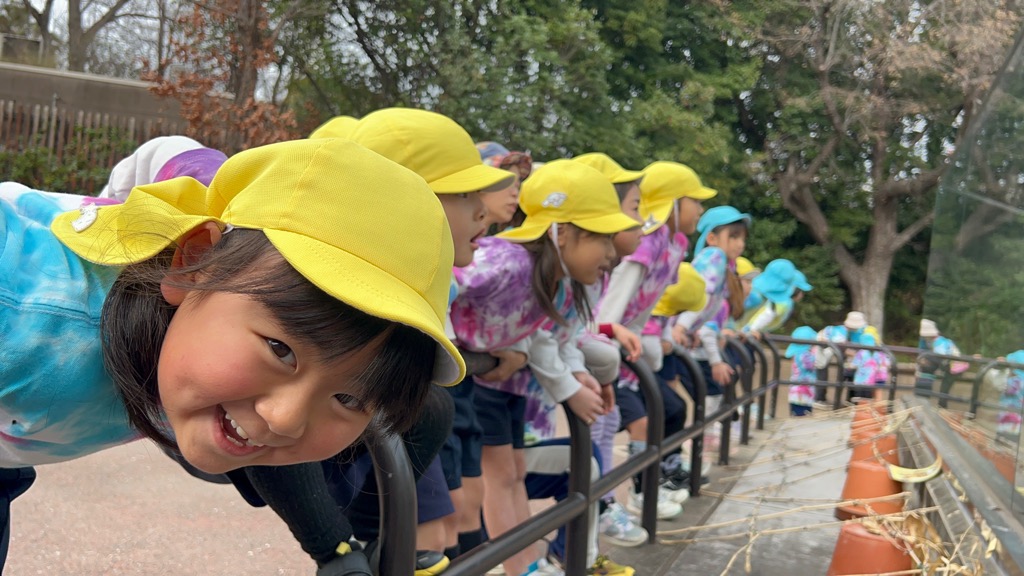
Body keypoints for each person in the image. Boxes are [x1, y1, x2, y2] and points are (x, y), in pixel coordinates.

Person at [0, 138, 466, 572]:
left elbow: (169, 151)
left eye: (348, 399)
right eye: (280, 350)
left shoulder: (216, 296)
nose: (285, 420)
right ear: (192, 262)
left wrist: (121, 203)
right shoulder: (27, 316)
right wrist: (120, 225)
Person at [313, 108, 518, 574]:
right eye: (465, 195)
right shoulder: (347, 291)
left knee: (435, 535)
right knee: (419, 535)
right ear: (400, 197)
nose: (483, 209)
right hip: (388, 437)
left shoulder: (432, 278)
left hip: (411, 428)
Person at [450, 160, 638, 576]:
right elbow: (447, 280)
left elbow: (551, 335)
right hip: (474, 385)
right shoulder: (510, 262)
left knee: (513, 472)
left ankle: (529, 564)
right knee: (500, 478)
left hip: (503, 385)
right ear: (563, 232)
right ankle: (521, 569)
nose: (611, 253)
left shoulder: (558, 279)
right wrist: (442, 345)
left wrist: (574, 376)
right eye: (602, 239)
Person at [593, 160, 716, 518]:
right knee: (601, 431)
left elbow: (651, 306)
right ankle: (615, 505)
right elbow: (615, 300)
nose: (700, 209)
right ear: (673, 202)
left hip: (625, 351)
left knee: (615, 427)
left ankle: (624, 502)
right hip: (607, 346)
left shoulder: (674, 242)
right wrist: (608, 334)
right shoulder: (648, 239)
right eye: (695, 200)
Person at [915, 318, 969, 399]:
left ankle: (926, 396)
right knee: (943, 389)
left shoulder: (940, 342)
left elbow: (941, 356)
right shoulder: (929, 341)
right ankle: (924, 395)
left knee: (943, 390)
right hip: (947, 365)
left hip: (952, 365)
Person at [986, 351, 1024, 440]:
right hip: (1012, 418)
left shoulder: (1014, 382)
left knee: (1006, 437)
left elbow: (999, 385)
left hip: (1009, 417)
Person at [785, 326, 820, 416]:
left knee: (797, 415)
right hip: (802, 395)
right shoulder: (804, 355)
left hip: (796, 393)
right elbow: (811, 365)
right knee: (802, 417)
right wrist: (816, 350)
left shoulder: (796, 353)